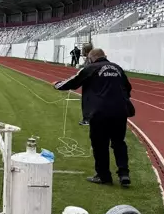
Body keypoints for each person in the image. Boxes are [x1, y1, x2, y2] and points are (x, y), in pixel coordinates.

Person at [53, 48, 134, 187]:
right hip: (120, 111)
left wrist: (57, 85)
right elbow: (128, 88)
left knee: (100, 145)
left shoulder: (91, 68)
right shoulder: (118, 68)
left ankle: (104, 176)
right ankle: (124, 174)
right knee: (119, 142)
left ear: (91, 58)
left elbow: (73, 82)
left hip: (99, 112)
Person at [79, 42, 94, 126]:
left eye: (83, 49)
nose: (82, 51)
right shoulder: (90, 59)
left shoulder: (90, 60)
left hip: (89, 84)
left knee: (87, 102)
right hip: (91, 84)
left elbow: (86, 70)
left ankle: (87, 119)